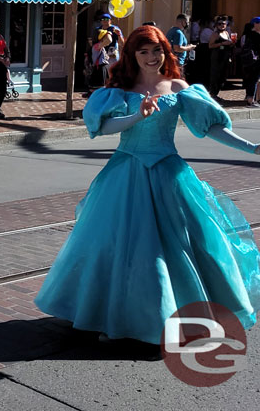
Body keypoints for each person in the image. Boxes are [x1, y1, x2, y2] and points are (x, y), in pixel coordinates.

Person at [35, 25, 260, 346]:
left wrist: (251, 148)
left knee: (186, 246)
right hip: (126, 172)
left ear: (166, 52)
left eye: (157, 51)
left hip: (169, 173)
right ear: (132, 55)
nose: (151, 58)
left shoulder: (179, 87)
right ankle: (113, 316)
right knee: (119, 247)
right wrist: (136, 116)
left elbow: (210, 128)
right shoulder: (121, 88)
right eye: (144, 51)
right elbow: (103, 127)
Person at [208, 16, 235, 99]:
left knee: (223, 76)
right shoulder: (215, 34)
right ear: (216, 25)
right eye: (219, 24)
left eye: (224, 23)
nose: (222, 25)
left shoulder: (226, 33)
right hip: (217, 57)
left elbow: (229, 43)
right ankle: (213, 94)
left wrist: (232, 43)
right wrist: (222, 43)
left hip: (225, 57)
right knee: (215, 76)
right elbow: (210, 45)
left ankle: (216, 93)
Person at [165, 14, 195, 80]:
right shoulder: (178, 33)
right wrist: (189, 48)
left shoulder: (172, 30)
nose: (187, 24)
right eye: (187, 22)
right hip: (177, 62)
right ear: (182, 22)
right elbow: (177, 48)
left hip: (172, 60)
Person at [99, 13, 124, 86]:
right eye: (102, 19)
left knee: (113, 73)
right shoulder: (98, 29)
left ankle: (114, 88)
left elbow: (121, 43)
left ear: (110, 20)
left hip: (111, 55)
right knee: (103, 74)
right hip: (101, 54)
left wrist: (119, 35)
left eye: (106, 19)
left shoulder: (114, 29)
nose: (104, 21)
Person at [242, 18, 260, 107]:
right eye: (259, 23)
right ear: (255, 24)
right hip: (254, 61)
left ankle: (252, 99)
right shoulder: (253, 35)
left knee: (254, 80)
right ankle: (250, 100)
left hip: (253, 61)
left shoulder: (252, 34)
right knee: (253, 80)